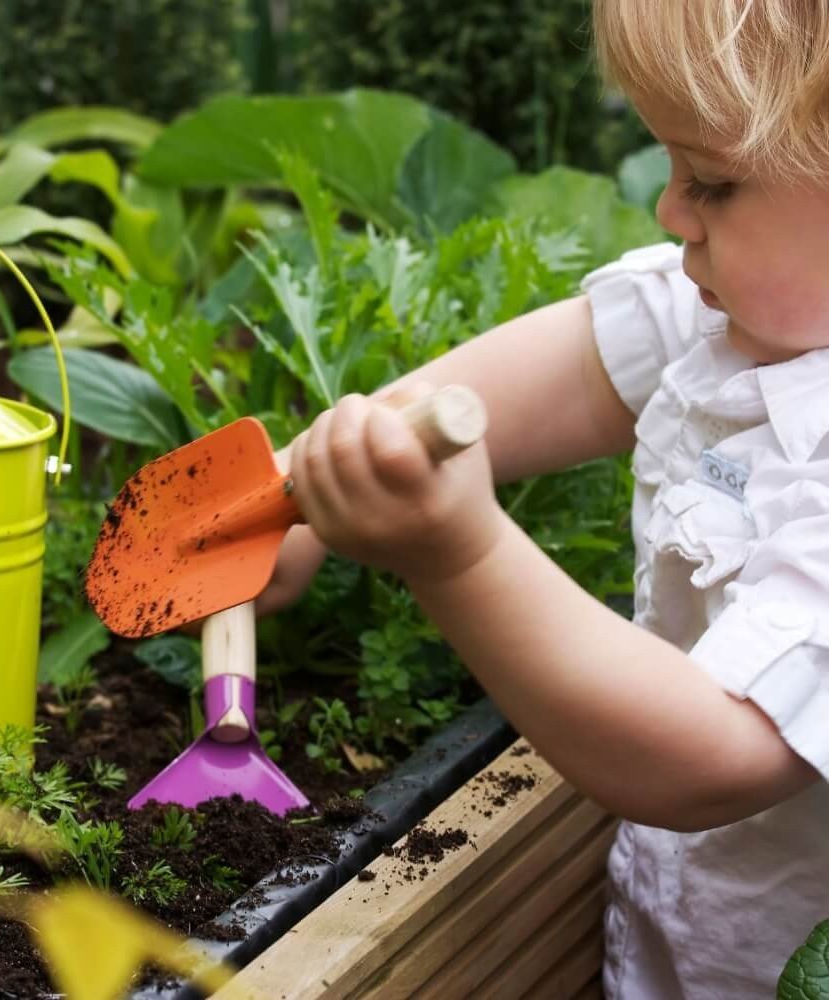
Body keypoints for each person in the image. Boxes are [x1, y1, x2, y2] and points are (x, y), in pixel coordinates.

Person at [254, 1, 829, 996]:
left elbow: (714, 754)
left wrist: (459, 554)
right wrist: (296, 489)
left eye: (714, 182)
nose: (668, 210)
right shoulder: (722, 316)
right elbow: (527, 385)